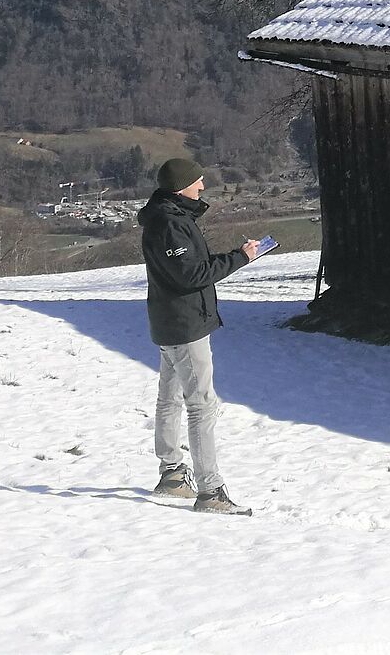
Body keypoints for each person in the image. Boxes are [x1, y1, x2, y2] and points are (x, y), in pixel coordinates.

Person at [137, 156, 262, 515]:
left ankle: (173, 475)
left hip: (169, 322)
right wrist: (241, 258)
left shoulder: (167, 217)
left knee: (171, 397)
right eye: (198, 182)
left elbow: (187, 270)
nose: (203, 187)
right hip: (185, 325)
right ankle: (210, 491)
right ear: (181, 187)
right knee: (202, 405)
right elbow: (190, 276)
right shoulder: (170, 224)